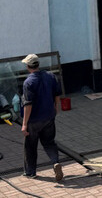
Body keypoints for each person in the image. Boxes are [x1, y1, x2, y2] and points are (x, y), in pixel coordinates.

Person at [19, 53, 64, 182]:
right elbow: (57, 94)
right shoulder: (51, 76)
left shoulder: (28, 82)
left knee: (30, 146)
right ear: (38, 64)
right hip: (49, 117)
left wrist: (24, 124)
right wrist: (56, 109)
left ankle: (30, 172)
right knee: (49, 142)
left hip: (34, 121)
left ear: (28, 66)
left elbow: (28, 105)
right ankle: (55, 162)